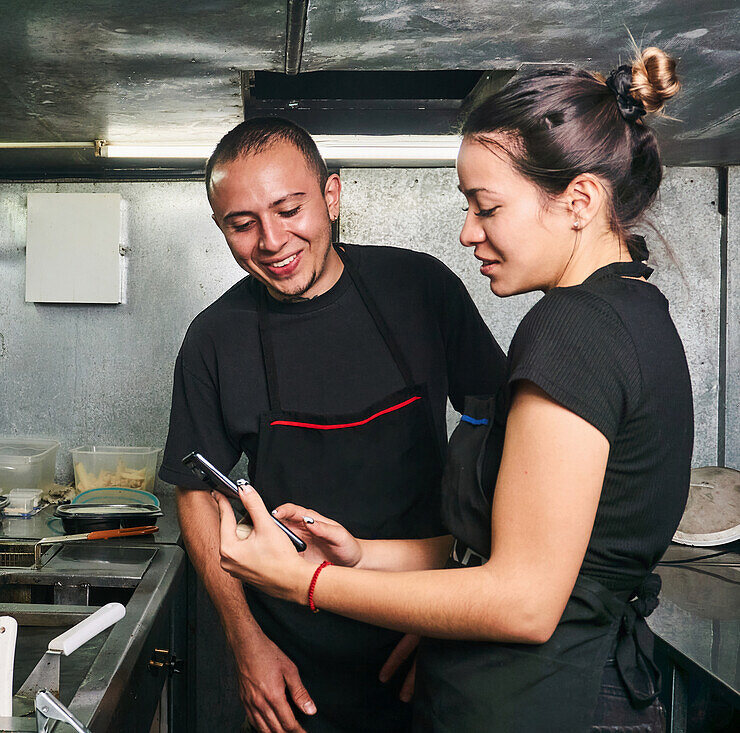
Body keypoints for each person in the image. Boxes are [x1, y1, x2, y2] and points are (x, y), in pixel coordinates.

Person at [214, 47, 691, 733]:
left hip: (545, 699)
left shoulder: (573, 329)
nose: (468, 231)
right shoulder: (631, 310)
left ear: (580, 200)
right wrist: (362, 555)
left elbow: (523, 599)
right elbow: (515, 549)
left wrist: (306, 583)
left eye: (486, 206)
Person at [158, 117, 506, 733]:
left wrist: (458, 614)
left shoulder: (419, 288)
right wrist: (246, 646)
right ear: (221, 229)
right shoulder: (214, 339)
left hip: (428, 636)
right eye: (243, 225)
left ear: (332, 195)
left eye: (290, 208)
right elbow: (197, 496)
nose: (272, 241)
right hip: (296, 663)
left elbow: (501, 443)